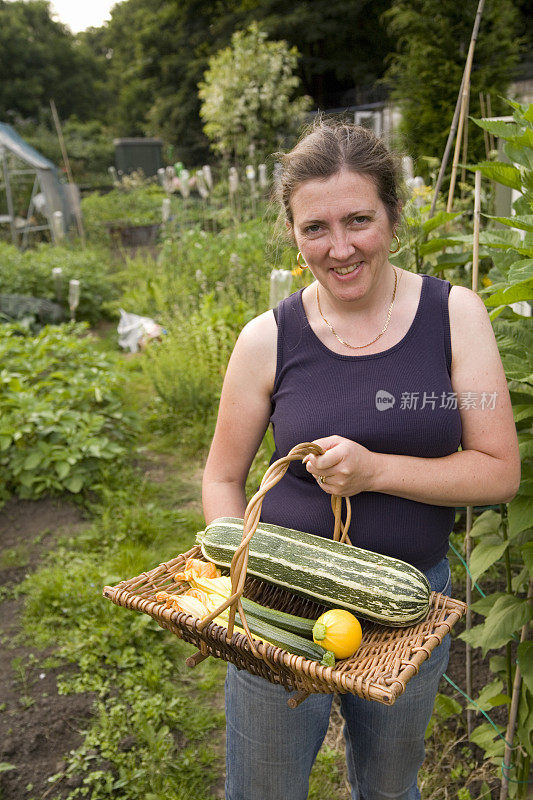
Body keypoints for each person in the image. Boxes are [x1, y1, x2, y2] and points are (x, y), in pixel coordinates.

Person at [202, 121, 521, 800]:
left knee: (387, 787)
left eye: (358, 220)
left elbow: (497, 470)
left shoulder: (454, 315)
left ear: (392, 215)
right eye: (315, 227)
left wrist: (377, 470)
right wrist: (240, 583)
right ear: (291, 231)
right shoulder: (267, 338)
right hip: (279, 605)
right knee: (261, 790)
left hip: (408, 605)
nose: (339, 248)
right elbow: (223, 477)